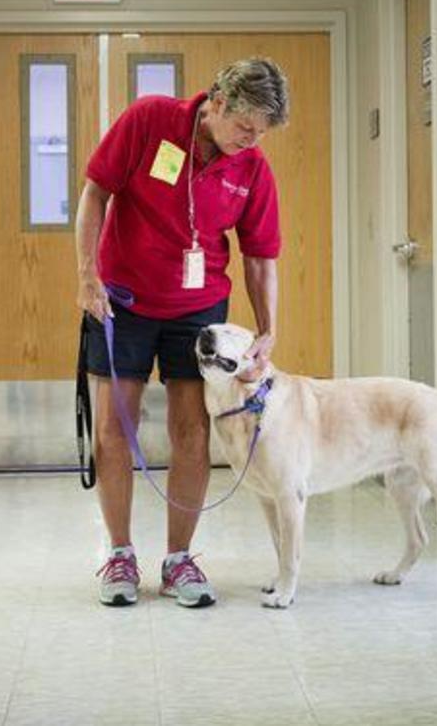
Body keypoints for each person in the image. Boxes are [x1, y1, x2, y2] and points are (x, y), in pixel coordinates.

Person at [75, 57, 289, 608]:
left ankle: (178, 559)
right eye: (245, 127)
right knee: (114, 427)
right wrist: (86, 275)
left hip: (198, 312)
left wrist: (268, 330)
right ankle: (120, 554)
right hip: (121, 299)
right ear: (217, 102)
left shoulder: (252, 168)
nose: (251, 141)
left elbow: (261, 257)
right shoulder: (150, 121)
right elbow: (96, 192)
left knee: (191, 430)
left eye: (261, 132)